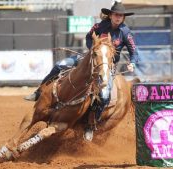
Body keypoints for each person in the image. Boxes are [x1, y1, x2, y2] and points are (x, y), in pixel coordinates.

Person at [24, 1, 139, 141]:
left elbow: (134, 51)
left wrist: (132, 62)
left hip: (106, 67)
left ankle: (90, 125)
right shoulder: (100, 26)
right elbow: (88, 37)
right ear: (110, 15)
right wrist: (92, 50)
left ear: (123, 17)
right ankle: (39, 92)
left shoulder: (125, 33)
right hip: (89, 59)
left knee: (104, 95)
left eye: (121, 15)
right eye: (116, 14)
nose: (118, 17)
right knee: (60, 65)